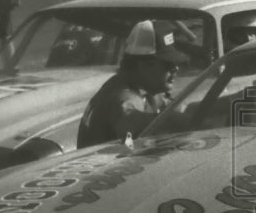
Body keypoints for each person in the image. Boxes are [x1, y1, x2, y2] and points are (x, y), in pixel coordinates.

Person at [76, 20, 188, 148]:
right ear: (144, 65)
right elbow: (130, 124)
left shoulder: (142, 88)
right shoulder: (123, 98)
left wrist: (208, 110)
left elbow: (178, 108)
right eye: (169, 64)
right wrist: (176, 121)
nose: (176, 69)